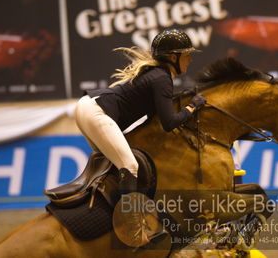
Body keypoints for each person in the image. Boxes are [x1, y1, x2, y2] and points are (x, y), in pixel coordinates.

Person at [74, 29, 206, 246]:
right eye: (186, 54)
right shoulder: (162, 78)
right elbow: (169, 123)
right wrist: (193, 107)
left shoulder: (157, 75)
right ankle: (132, 229)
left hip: (87, 107)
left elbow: (156, 118)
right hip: (96, 111)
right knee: (130, 166)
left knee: (113, 166)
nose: (190, 59)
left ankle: (101, 216)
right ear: (173, 57)